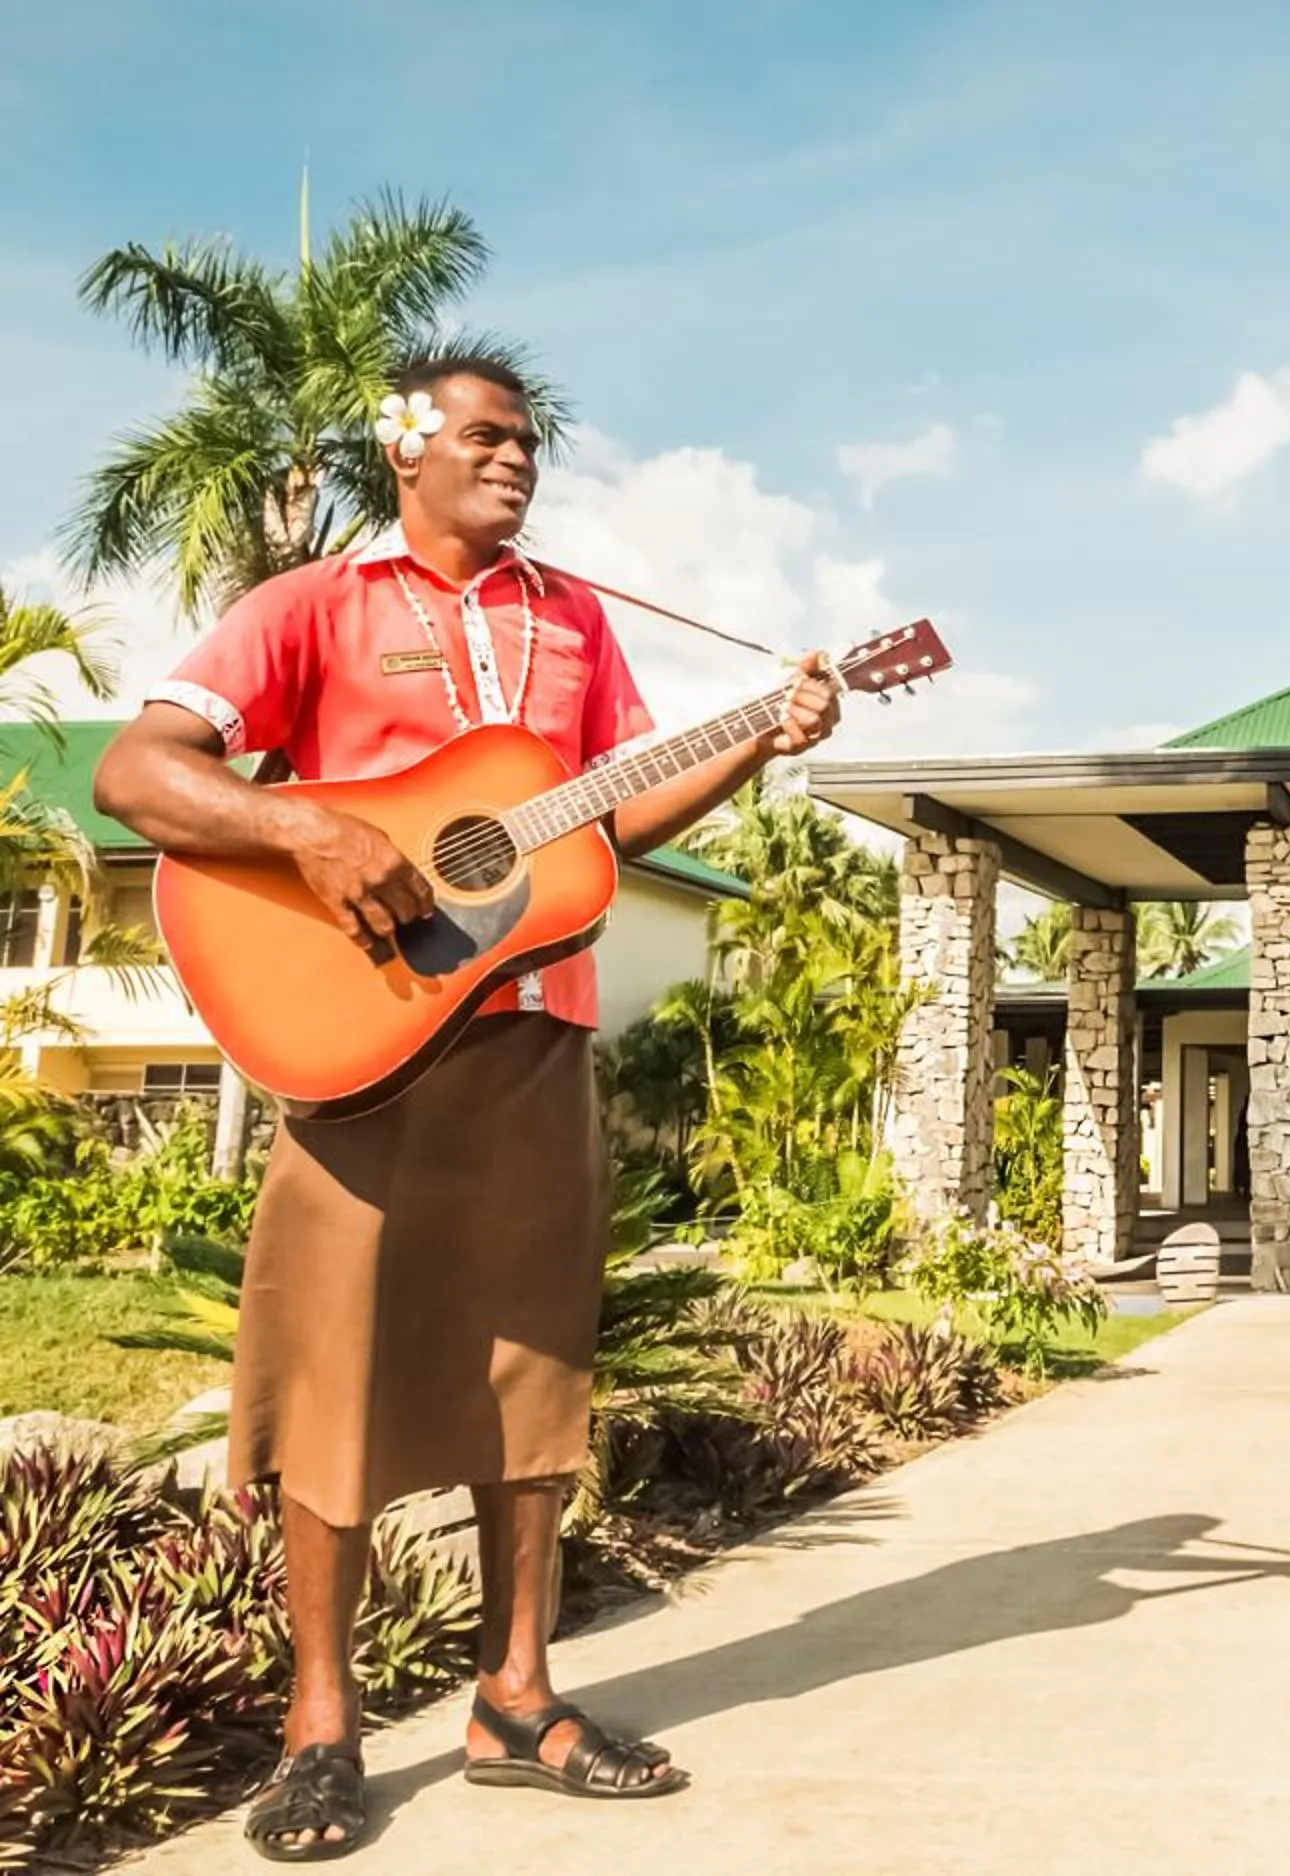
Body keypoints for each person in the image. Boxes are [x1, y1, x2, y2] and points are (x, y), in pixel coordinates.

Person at [92, 356, 841, 1861]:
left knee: (534, 1378)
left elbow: (604, 820)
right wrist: (306, 831)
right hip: (354, 1043)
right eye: (486, 436)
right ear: (405, 448)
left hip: (533, 1036)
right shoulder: (313, 605)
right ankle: (321, 1728)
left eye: (529, 442)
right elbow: (138, 774)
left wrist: (759, 736)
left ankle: (517, 1697)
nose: (517, 460)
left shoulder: (573, 622)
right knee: (334, 1378)